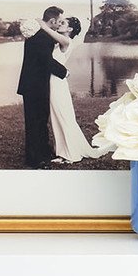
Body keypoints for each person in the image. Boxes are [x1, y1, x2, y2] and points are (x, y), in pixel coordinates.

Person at [16, 5, 70, 168]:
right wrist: (64, 72)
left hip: (36, 84)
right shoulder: (42, 37)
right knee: (35, 123)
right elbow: (46, 61)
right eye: (58, 21)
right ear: (52, 21)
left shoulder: (40, 34)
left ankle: (44, 152)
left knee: (40, 120)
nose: (59, 24)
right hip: (34, 86)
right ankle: (35, 159)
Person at [41, 15, 97, 164]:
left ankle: (71, 154)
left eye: (63, 22)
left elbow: (46, 29)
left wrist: (40, 24)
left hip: (57, 84)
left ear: (70, 29)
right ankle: (62, 152)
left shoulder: (66, 41)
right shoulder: (62, 40)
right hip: (54, 82)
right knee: (57, 117)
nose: (59, 23)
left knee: (62, 116)